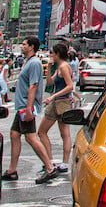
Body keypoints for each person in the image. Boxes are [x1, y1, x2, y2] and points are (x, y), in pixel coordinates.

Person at [2, 37, 59, 184]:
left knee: (30, 137)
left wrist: (29, 108)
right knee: (14, 134)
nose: (21, 46)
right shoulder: (28, 61)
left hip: (26, 107)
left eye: (24, 44)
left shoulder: (34, 63)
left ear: (31, 47)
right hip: (22, 106)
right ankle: (12, 170)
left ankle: (49, 168)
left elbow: (33, 86)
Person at [39, 43, 75, 174]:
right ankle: (56, 161)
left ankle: (56, 161)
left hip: (60, 102)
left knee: (43, 131)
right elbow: (49, 83)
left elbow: (70, 86)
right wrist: (49, 68)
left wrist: (53, 96)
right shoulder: (59, 67)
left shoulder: (64, 67)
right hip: (60, 102)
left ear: (58, 54)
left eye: (53, 53)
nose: (51, 56)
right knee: (63, 133)